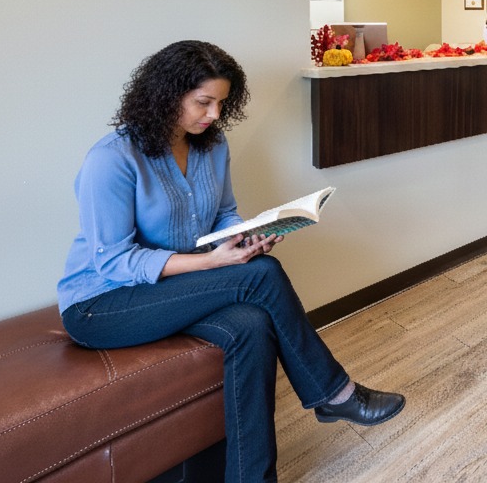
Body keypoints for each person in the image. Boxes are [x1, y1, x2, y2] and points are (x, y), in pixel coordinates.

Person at [57, 40, 404, 482]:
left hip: (170, 291)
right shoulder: (111, 159)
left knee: (252, 325)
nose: (215, 115)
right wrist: (215, 264)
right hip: (102, 304)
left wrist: (246, 236)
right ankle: (334, 393)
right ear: (167, 95)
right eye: (204, 102)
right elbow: (114, 262)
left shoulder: (211, 146)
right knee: (261, 277)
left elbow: (222, 214)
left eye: (221, 103)